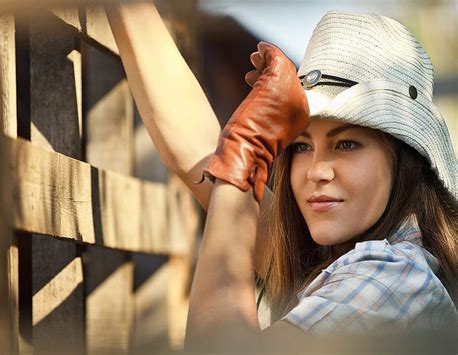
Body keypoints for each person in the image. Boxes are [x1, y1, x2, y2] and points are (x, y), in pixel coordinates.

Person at [107, 3, 458, 349]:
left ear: (405, 159)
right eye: (302, 147)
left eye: (347, 144)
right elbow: (198, 157)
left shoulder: (393, 280)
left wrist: (245, 157)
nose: (317, 171)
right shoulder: (333, 258)